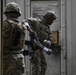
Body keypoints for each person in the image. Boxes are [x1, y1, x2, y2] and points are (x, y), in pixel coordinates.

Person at [23, 10, 57, 75]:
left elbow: (49, 39)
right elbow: (25, 22)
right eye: (52, 20)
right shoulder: (36, 22)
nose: (52, 21)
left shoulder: (47, 28)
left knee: (44, 66)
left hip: (41, 49)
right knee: (36, 68)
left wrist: (48, 42)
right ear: (48, 18)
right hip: (34, 49)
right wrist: (29, 30)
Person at [3, 2, 26, 75]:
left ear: (7, 13)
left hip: (7, 58)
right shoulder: (22, 25)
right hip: (20, 57)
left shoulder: (5, 24)